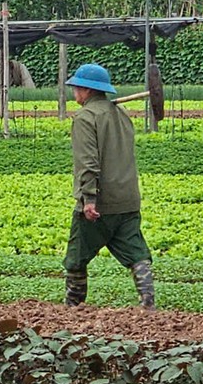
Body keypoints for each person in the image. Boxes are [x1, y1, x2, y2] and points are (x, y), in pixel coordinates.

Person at [62, 63, 155, 310]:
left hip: (99, 202)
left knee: (76, 257)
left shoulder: (85, 118)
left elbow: (87, 162)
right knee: (136, 253)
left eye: (76, 88)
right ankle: (148, 303)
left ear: (86, 90)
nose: (74, 93)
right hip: (127, 198)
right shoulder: (120, 114)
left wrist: (89, 199)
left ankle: (72, 309)